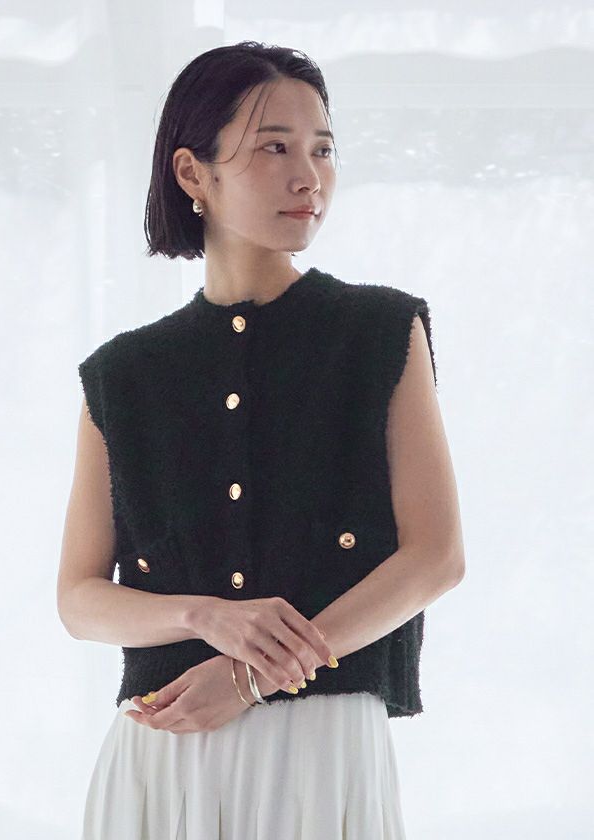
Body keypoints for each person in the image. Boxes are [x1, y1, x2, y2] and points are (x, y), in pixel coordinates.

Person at [58, 41, 465, 840]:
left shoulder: (380, 332)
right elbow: (79, 600)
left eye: (323, 150)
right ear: (192, 174)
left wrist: (252, 678)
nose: (309, 176)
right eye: (274, 148)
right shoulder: (123, 373)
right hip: (161, 750)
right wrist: (206, 617)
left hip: (321, 747)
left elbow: (436, 558)